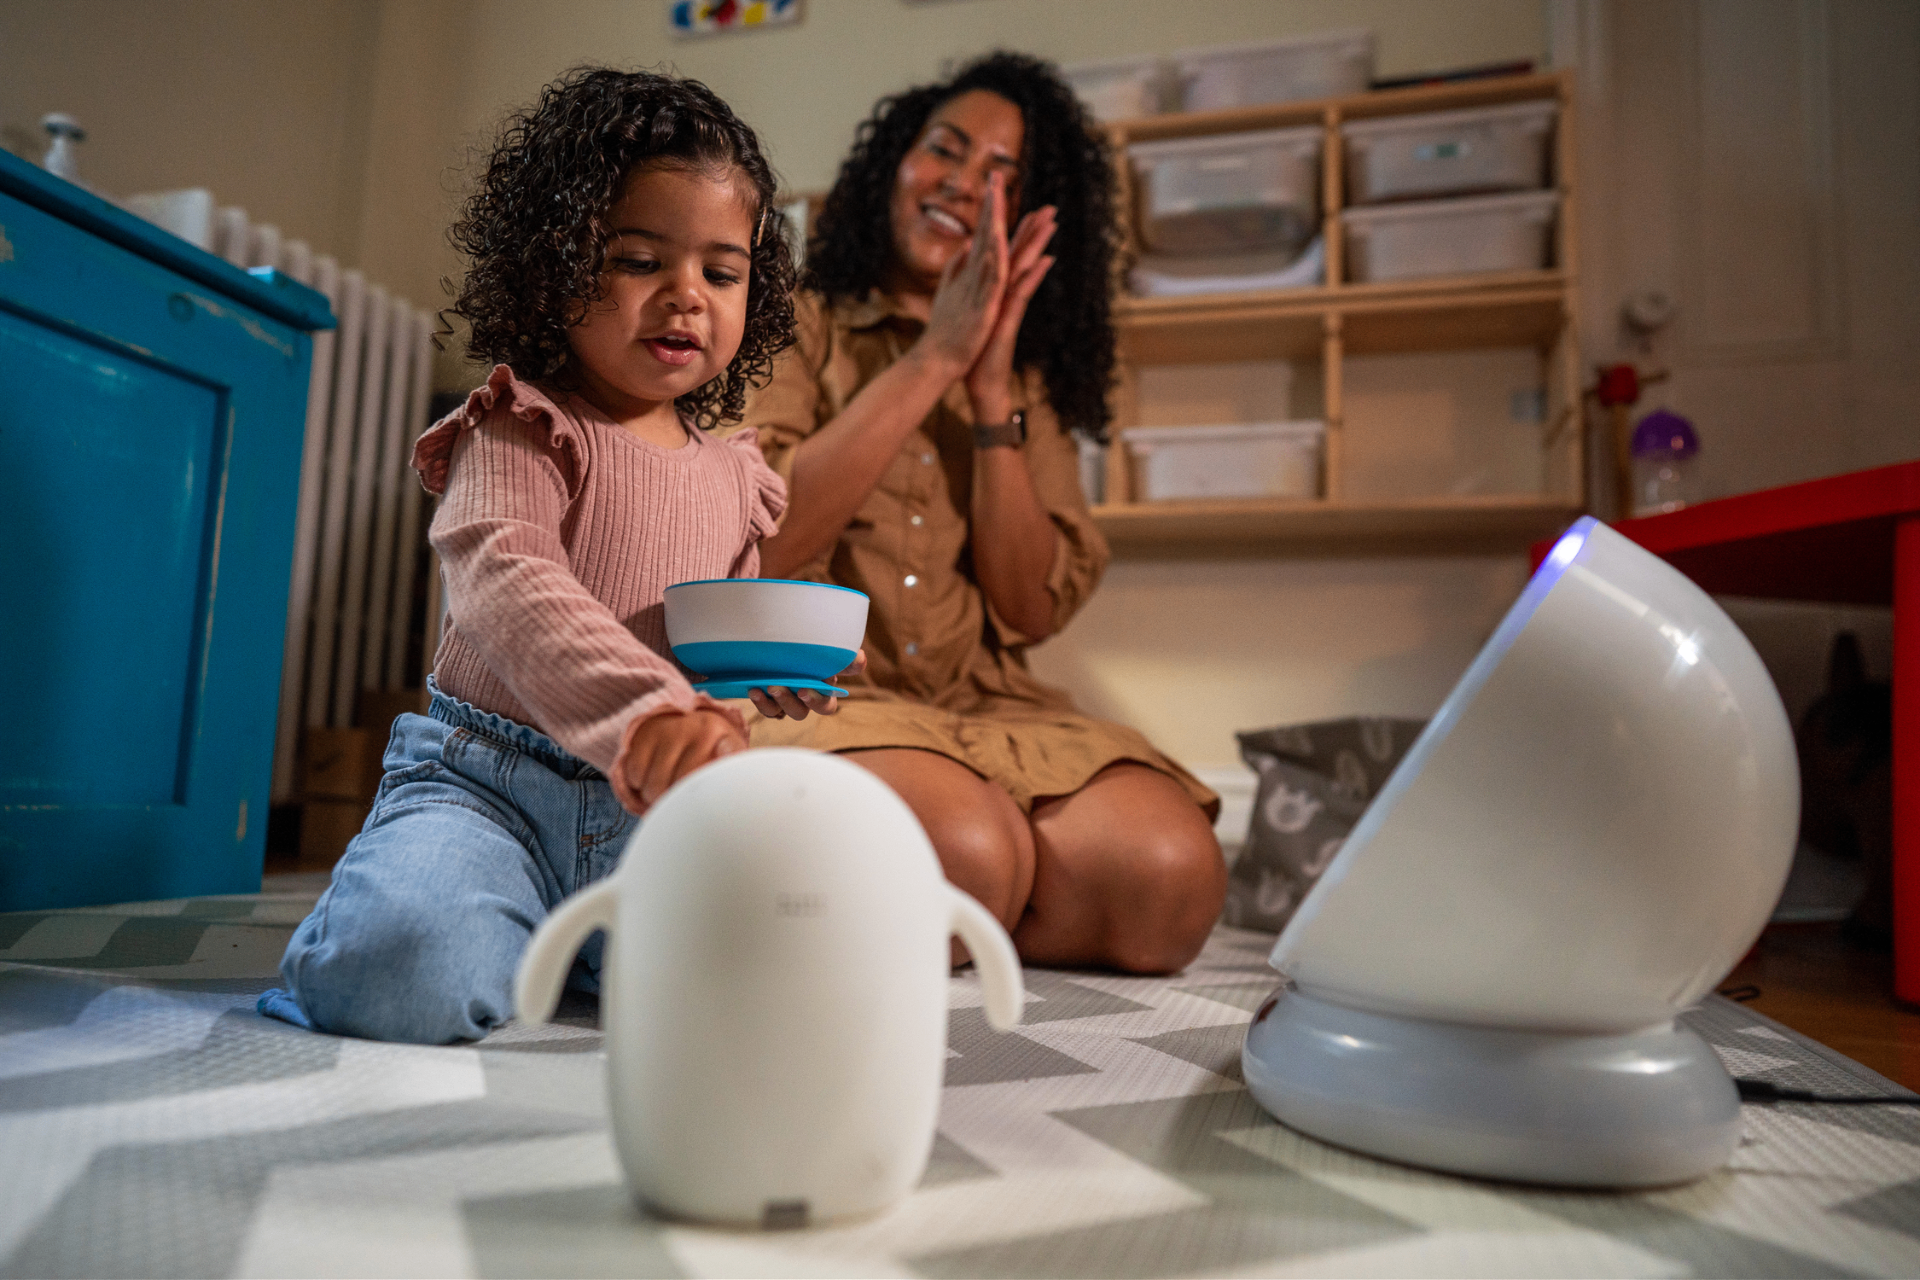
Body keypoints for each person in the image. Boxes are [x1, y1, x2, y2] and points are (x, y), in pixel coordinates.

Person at [260, 68, 845, 1043]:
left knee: (798, 962)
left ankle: (564, 940)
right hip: (484, 783)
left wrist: (765, 674)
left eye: (721, 271)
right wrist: (649, 708)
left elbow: (705, 640)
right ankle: (489, 919)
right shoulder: (518, 426)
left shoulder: (742, 477)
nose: (685, 297)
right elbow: (508, 577)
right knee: (394, 972)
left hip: (656, 815)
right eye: (637, 259)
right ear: (553, 262)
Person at [742, 52, 1226, 975]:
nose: (965, 185)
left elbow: (1028, 609)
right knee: (966, 855)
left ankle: (967, 894)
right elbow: (760, 543)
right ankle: (990, 884)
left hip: (984, 703)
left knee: (1169, 885)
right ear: (894, 162)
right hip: (824, 693)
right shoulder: (793, 324)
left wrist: (990, 381)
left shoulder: (1023, 383)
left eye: (1002, 175)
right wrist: (934, 359)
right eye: (946, 151)